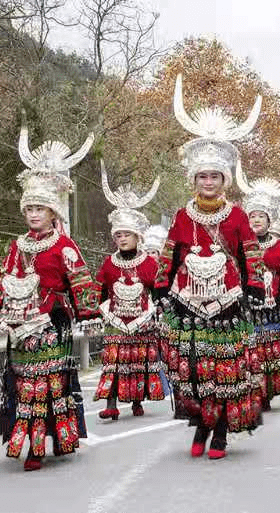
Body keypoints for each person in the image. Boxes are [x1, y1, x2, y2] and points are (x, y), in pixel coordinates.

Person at [0, 126, 100, 471]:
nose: (33, 214)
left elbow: (80, 281)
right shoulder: (18, 245)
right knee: (23, 382)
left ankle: (43, 444)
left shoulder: (65, 246)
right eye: (29, 208)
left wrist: (88, 316)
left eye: (39, 209)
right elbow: (1, 280)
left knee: (47, 383)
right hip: (20, 326)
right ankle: (28, 441)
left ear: (53, 212)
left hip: (52, 323)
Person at [158, 74, 265, 460]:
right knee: (195, 370)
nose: (207, 181)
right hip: (188, 305)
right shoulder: (181, 216)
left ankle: (219, 431)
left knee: (225, 370)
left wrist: (254, 284)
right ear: (194, 179)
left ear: (225, 180)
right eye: (202, 176)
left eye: (214, 176)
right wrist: (161, 286)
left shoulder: (236, 216)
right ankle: (200, 425)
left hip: (229, 304)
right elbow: (169, 253)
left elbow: (251, 252)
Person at [94, 161, 165, 420]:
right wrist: (96, 312)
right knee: (113, 361)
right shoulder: (109, 263)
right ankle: (111, 403)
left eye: (126, 234)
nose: (122, 239)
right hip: (115, 319)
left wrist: (159, 309)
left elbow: (158, 292)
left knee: (136, 362)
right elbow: (100, 291)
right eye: (118, 235)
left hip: (142, 320)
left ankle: (136, 400)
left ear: (138, 236)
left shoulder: (149, 263)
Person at [239, 167, 280, 409]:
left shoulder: (279, 247)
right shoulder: (239, 245)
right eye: (251, 216)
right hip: (246, 307)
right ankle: (253, 390)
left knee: (269, 352)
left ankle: (267, 390)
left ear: (269, 220)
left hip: (273, 306)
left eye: (260, 216)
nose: (255, 220)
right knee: (251, 350)